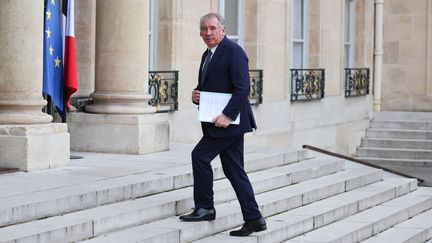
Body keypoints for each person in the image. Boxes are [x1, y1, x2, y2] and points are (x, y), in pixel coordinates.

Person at [179, 12, 266, 237]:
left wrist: (227, 116)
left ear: (223, 30)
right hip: (220, 122)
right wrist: (197, 96)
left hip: (229, 123)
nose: (207, 33)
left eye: (212, 28)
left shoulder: (234, 52)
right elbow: (212, 86)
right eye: (203, 29)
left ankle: (205, 207)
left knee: (199, 156)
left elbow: (242, 88)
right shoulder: (207, 54)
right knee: (234, 170)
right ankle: (254, 218)